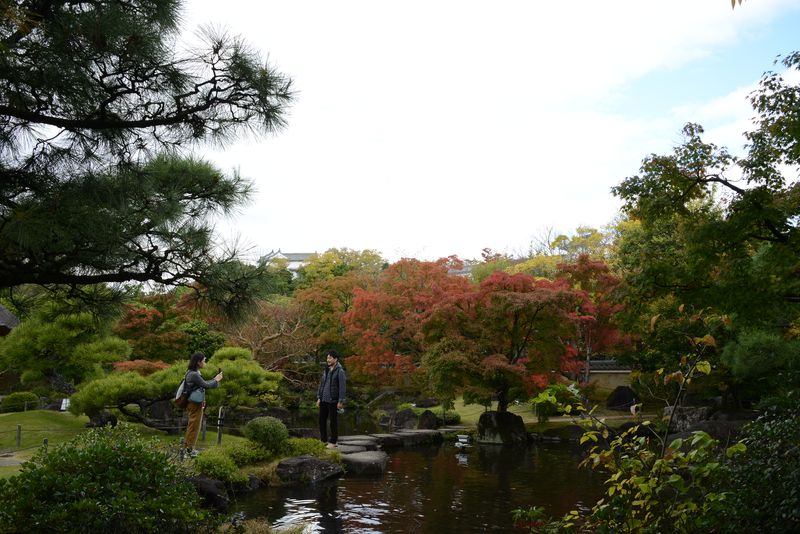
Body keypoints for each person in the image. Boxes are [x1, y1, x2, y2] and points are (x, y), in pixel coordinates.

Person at [183, 351, 223, 458]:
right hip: (194, 404)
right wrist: (216, 379)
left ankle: (189, 448)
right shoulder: (194, 374)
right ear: (198, 362)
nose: (205, 363)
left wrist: (214, 380)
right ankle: (189, 451)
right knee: (194, 427)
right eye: (204, 361)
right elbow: (206, 385)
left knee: (193, 426)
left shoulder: (192, 372)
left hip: (194, 403)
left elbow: (203, 384)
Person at [317, 349, 346, 448]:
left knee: (333, 422)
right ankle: (323, 440)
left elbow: (342, 387)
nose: (328, 360)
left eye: (330, 358)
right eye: (327, 358)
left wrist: (341, 401)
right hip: (324, 399)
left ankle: (333, 442)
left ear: (335, 359)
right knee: (321, 420)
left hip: (333, 400)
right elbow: (321, 385)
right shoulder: (326, 369)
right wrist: (319, 398)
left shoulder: (340, 371)